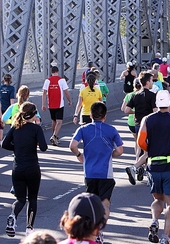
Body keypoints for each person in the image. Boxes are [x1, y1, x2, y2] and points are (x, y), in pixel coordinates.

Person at [137, 90, 170, 244]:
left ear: (156, 103)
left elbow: (141, 142)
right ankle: (165, 236)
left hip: (154, 165)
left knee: (158, 199)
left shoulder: (147, 120)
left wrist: (150, 149)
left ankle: (154, 220)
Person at [69, 102, 123, 244]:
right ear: (105, 116)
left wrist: (79, 155)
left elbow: (72, 145)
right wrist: (111, 154)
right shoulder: (111, 130)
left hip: (90, 173)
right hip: (106, 174)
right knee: (105, 203)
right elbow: (120, 150)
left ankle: (91, 232)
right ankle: (100, 231)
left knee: (91, 203)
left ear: (91, 115)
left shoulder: (83, 129)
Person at [2, 102, 48, 237]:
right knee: (32, 198)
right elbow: (44, 147)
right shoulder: (36, 129)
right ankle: (29, 227)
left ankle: (13, 216)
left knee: (20, 199)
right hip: (32, 167)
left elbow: (4, 144)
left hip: (18, 168)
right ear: (33, 115)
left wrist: (17, 149)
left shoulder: (15, 128)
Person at [124, 72, 157, 185]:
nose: (152, 82)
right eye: (152, 80)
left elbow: (126, 110)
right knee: (151, 150)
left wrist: (136, 111)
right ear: (147, 82)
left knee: (141, 148)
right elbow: (155, 111)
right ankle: (137, 168)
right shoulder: (152, 95)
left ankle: (139, 168)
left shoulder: (135, 95)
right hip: (149, 126)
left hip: (138, 125)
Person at [42, 66, 72, 146]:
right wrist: (69, 101)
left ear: (51, 72)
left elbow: (44, 93)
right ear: (57, 71)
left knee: (54, 121)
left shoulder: (47, 81)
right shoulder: (61, 80)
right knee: (59, 121)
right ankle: (54, 136)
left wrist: (43, 104)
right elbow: (66, 92)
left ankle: (55, 137)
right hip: (59, 104)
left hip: (50, 104)